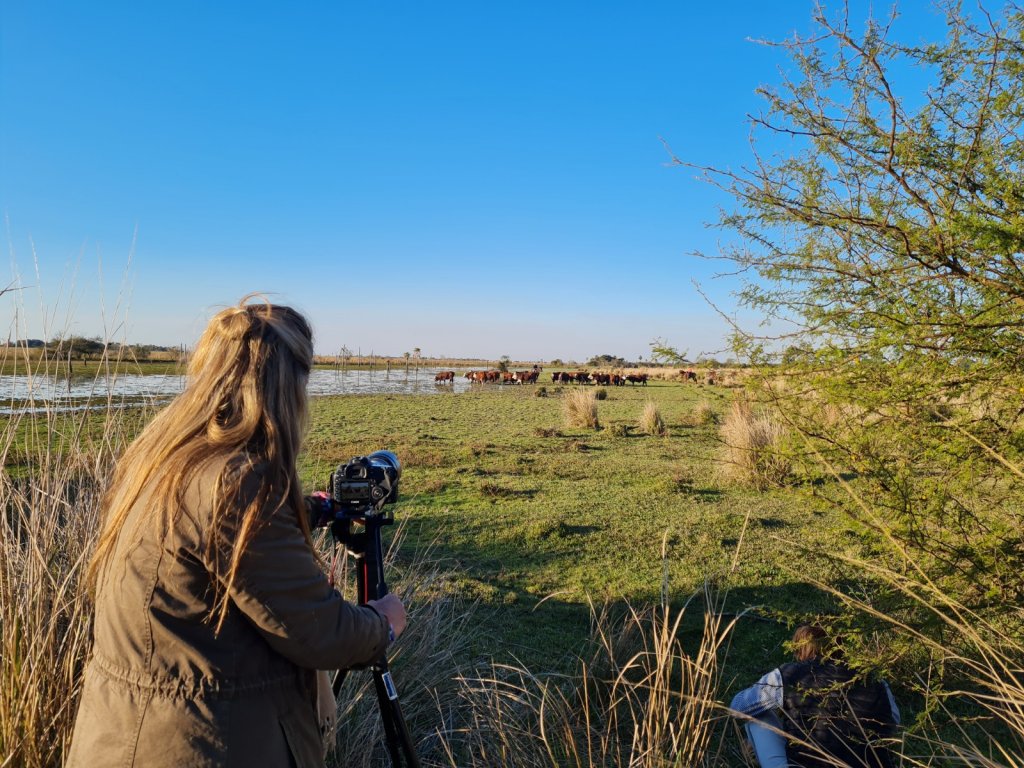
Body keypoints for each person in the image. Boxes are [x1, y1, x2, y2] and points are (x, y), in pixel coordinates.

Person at [68, 298, 407, 767]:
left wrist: (306, 511)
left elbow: (209, 540)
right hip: (202, 745)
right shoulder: (239, 485)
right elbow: (319, 633)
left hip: (127, 732)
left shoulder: (164, 458)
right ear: (284, 387)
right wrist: (383, 622)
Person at [730, 625, 900, 768]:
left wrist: (780, 703)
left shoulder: (790, 674)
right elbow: (893, 720)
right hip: (872, 763)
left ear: (799, 649)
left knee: (759, 716)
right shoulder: (873, 678)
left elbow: (738, 707)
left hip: (809, 763)